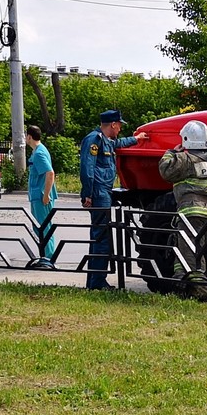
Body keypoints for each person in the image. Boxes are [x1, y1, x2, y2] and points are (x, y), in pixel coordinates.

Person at [157, 120, 207, 299]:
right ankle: (181, 284)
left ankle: (199, 292)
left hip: (190, 211)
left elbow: (165, 169)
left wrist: (173, 151)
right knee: (195, 250)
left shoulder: (185, 159)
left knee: (190, 251)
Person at [80, 109, 148, 290]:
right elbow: (87, 168)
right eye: (119, 125)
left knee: (99, 238)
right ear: (113, 124)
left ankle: (94, 282)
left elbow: (118, 143)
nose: (120, 129)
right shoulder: (94, 140)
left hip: (104, 192)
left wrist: (137, 139)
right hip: (98, 193)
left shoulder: (106, 141)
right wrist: (87, 194)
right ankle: (97, 283)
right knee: (102, 239)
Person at [24, 124, 57, 265]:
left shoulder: (39, 153)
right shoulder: (38, 151)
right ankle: (47, 256)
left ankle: (48, 258)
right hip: (38, 195)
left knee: (43, 227)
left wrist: (46, 195)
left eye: (26, 135)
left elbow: (50, 173)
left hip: (41, 196)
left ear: (30, 136)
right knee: (42, 227)